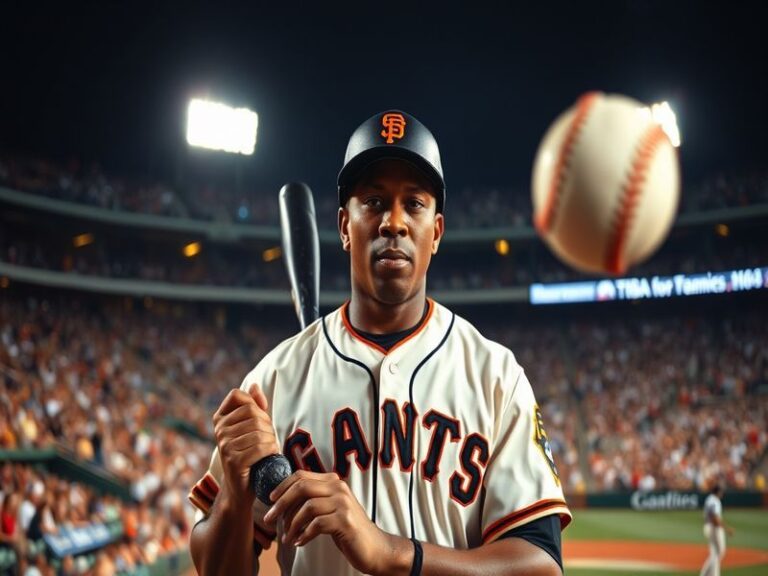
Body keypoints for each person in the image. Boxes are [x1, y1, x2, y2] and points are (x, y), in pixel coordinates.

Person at [189, 110, 572, 575]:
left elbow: (541, 564)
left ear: (437, 232)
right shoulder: (274, 380)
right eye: (372, 201)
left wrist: (391, 553)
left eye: (414, 203)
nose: (394, 222)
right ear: (344, 226)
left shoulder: (496, 375)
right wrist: (232, 495)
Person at [699, 484, 734, 576]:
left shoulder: (709, 499)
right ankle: (710, 574)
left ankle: (707, 574)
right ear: (718, 492)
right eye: (721, 492)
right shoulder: (715, 501)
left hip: (708, 527)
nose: (722, 494)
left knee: (715, 552)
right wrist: (727, 529)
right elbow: (715, 517)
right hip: (714, 528)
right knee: (719, 552)